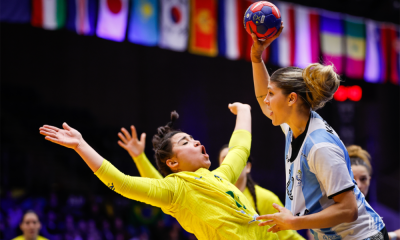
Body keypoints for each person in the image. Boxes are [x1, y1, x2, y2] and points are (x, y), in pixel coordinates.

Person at [39, 103, 279, 240]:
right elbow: (120, 182)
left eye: (193, 138)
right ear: (173, 163)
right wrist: (81, 145)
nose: (195, 142)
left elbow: (240, 146)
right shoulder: (175, 189)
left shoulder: (221, 175)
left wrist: (245, 110)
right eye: (185, 142)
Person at [249, 23, 388, 239]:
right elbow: (263, 101)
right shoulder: (295, 125)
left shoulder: (319, 146)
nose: (265, 100)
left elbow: (348, 210)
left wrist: (294, 222)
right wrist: (256, 59)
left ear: (292, 99)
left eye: (271, 94)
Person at [116, 133, 304, 239]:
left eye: (230, 159)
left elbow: (289, 237)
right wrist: (140, 158)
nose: (228, 163)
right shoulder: (204, 188)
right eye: (223, 160)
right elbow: (162, 190)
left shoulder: (265, 198)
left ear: (246, 166)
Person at [348, 145, 400, 240]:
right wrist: (395, 235)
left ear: (369, 181)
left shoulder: (369, 215)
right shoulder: (325, 208)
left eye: (363, 179)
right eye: (352, 179)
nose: (358, 185)